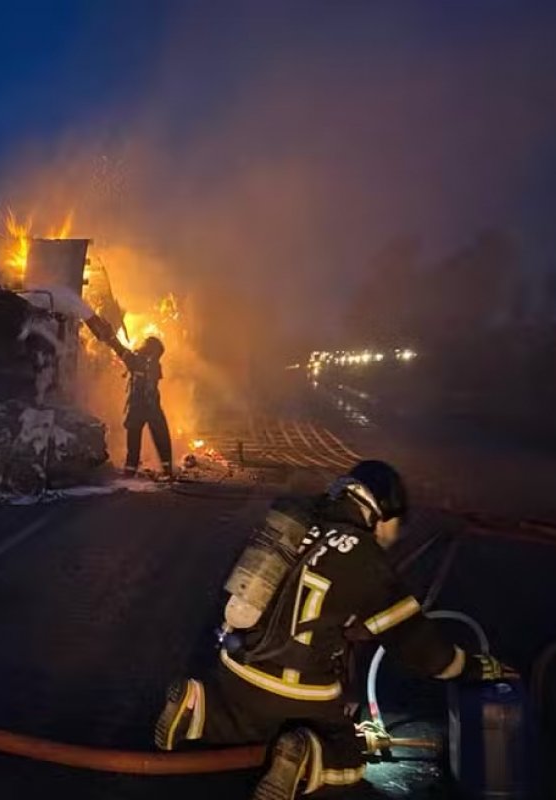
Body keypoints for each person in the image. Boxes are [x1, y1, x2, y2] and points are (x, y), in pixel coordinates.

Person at [153, 460, 509, 799]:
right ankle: (309, 757)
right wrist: (472, 667)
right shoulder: (366, 558)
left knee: (247, 721)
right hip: (295, 692)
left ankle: (198, 706)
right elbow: (422, 651)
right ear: (381, 512)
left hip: (232, 669)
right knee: (348, 757)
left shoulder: (294, 524)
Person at [84, 316, 172, 478]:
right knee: (160, 436)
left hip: (139, 406)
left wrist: (110, 336)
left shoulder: (137, 361)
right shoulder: (154, 365)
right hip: (152, 407)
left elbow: (119, 349)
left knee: (134, 440)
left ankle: (130, 472)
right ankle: (166, 470)